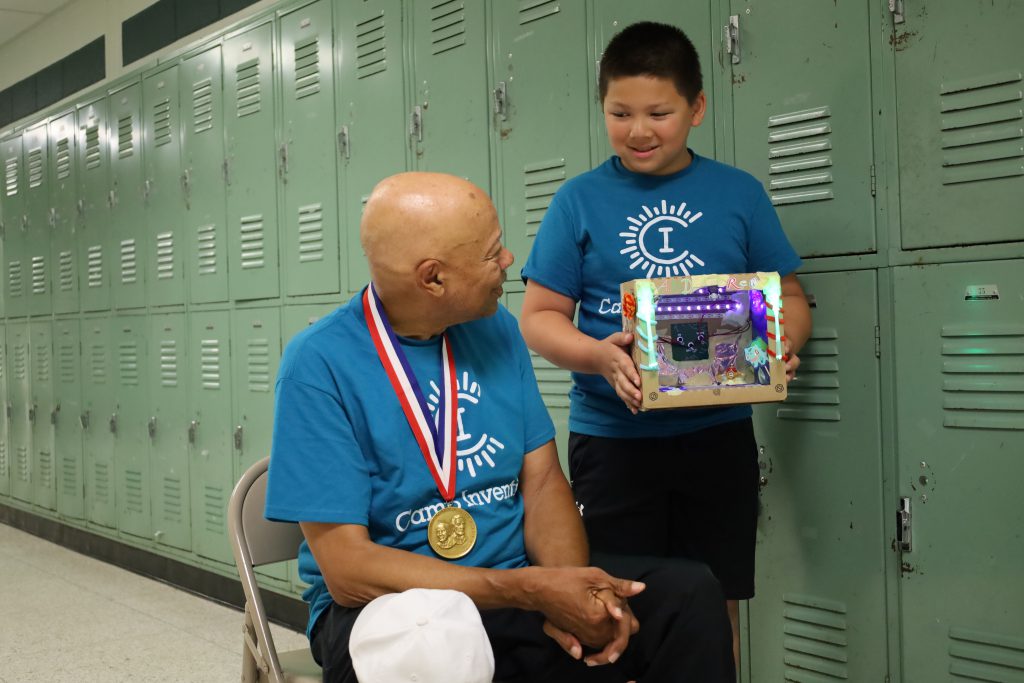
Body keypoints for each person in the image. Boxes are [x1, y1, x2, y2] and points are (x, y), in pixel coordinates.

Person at [265, 171, 736, 682]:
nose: (508, 261)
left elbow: (542, 480)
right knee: (435, 640)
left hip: (516, 586)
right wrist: (527, 591)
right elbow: (347, 570)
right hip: (395, 611)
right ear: (434, 278)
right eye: (492, 254)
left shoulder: (497, 329)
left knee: (687, 596)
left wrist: (568, 590)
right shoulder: (318, 364)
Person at [518, 22, 813, 665]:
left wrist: (785, 342)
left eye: (659, 112)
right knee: (613, 605)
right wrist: (598, 354)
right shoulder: (579, 201)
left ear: (697, 108)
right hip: (614, 442)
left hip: (717, 438)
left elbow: (788, 295)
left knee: (716, 601)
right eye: (620, 113)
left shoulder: (738, 194)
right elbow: (538, 316)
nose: (638, 131)